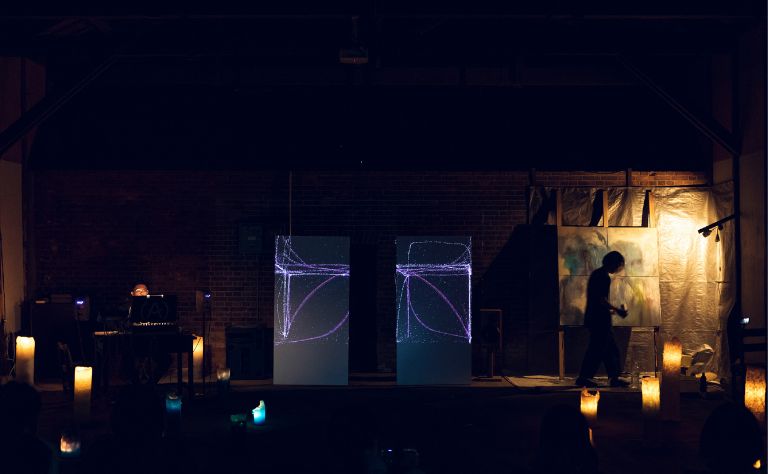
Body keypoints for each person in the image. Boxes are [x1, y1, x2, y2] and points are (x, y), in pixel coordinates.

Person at [575, 251, 630, 388]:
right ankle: (585, 377)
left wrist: (611, 310)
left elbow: (597, 300)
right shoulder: (602, 276)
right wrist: (617, 310)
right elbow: (601, 299)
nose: (618, 268)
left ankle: (613, 377)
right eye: (619, 265)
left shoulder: (598, 274)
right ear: (613, 263)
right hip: (599, 320)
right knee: (598, 349)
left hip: (597, 318)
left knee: (609, 349)